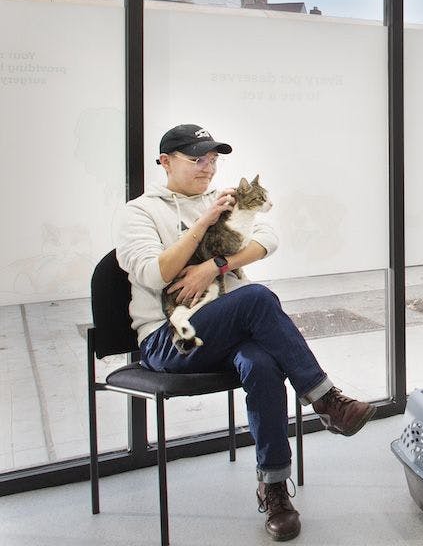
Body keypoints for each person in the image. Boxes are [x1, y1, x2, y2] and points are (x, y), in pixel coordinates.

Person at [115, 124, 374, 542]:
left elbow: (267, 238)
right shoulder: (139, 213)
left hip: (226, 330)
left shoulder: (220, 199)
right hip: (170, 338)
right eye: (197, 158)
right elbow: (155, 271)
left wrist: (211, 266)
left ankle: (273, 487)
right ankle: (326, 400)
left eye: (213, 159)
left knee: (261, 361)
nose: (208, 166)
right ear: (165, 162)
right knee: (256, 297)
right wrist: (204, 223)